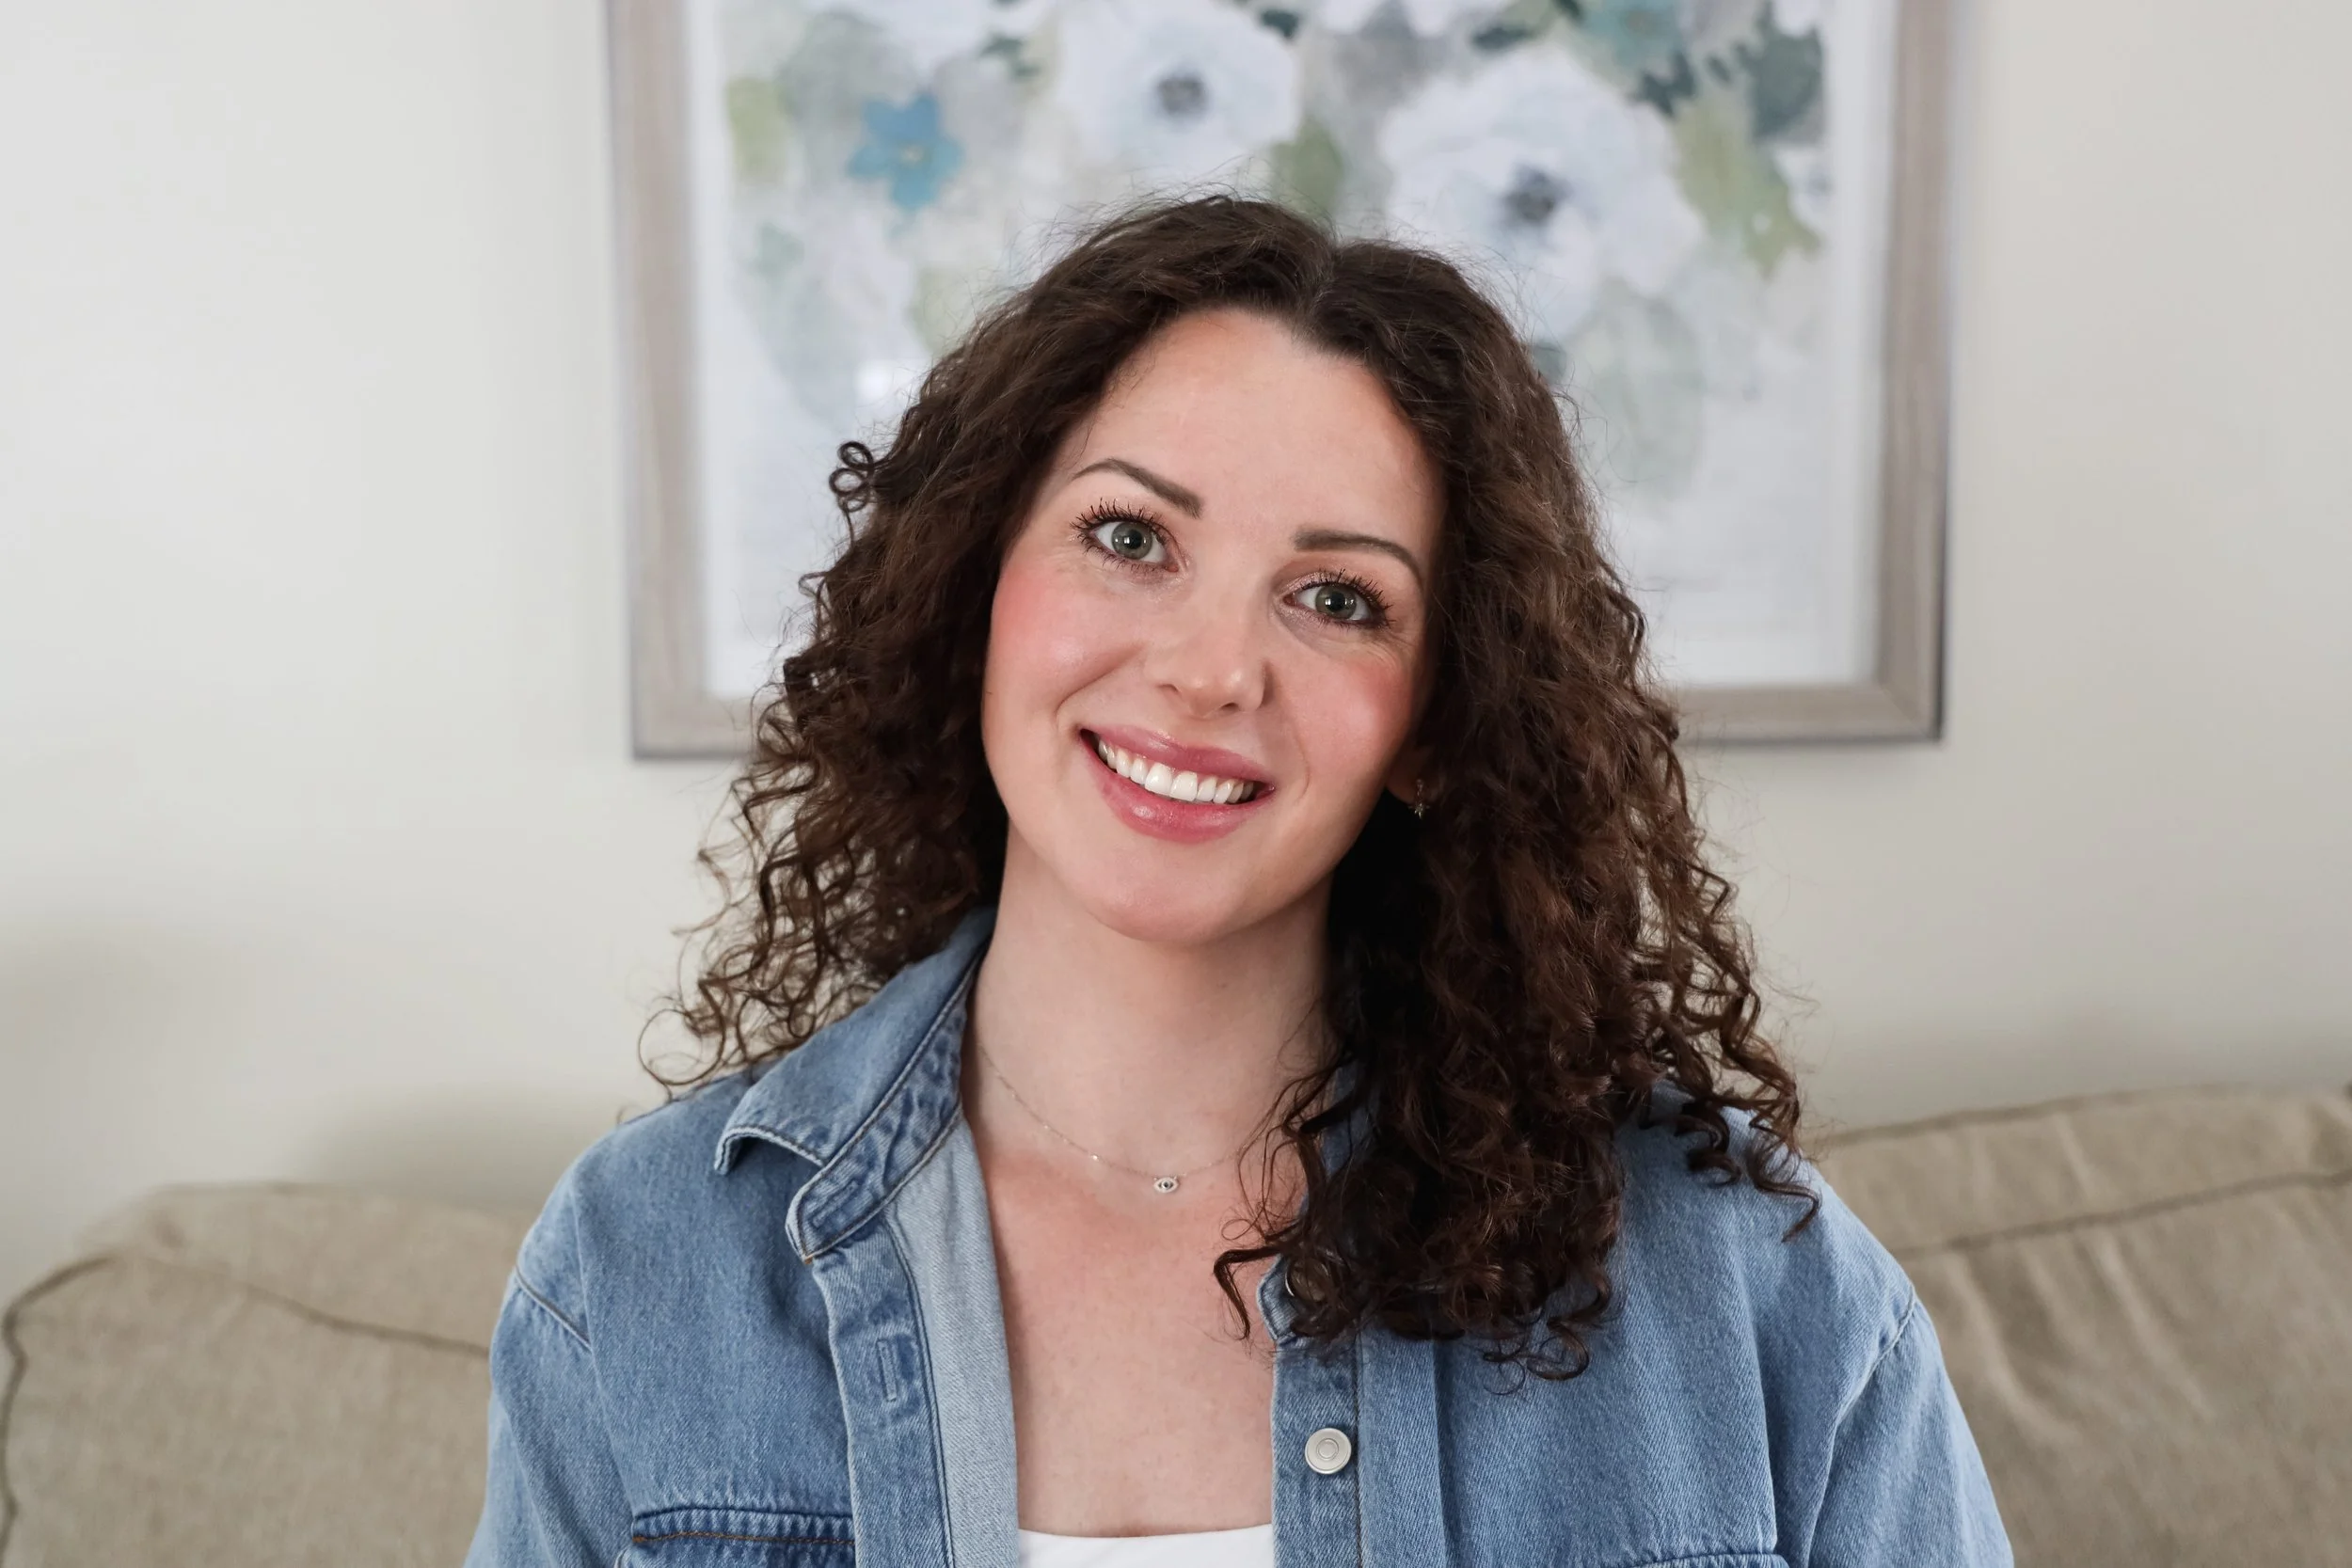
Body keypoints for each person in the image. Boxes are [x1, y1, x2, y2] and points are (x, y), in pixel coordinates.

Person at [466, 196, 2010, 1567]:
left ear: (1436, 722)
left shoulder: (1748, 1285)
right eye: (1129, 535)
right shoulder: (642, 1263)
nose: (1211, 669)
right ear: (975, 582)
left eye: (1337, 597)